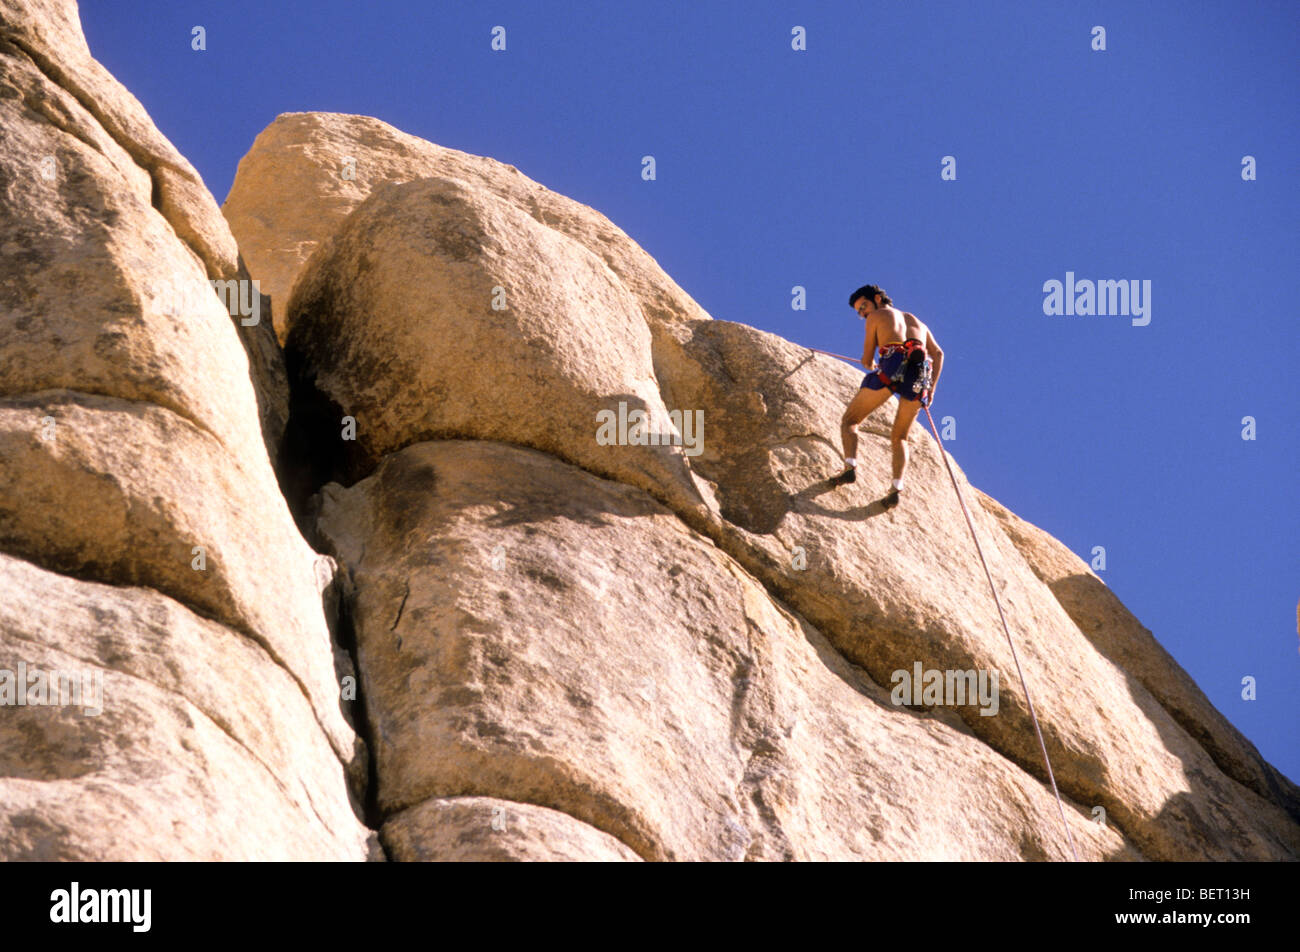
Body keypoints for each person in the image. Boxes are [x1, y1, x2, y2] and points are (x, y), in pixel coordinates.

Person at [830, 284, 944, 509]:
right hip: (920, 374)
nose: (863, 314)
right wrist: (931, 389)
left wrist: (870, 363)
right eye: (859, 312)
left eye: (863, 307)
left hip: (891, 364)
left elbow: (866, 357)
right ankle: (896, 488)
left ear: (877, 299)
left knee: (850, 421)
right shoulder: (917, 322)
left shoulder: (878, 316)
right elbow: (938, 353)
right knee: (900, 437)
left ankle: (850, 468)